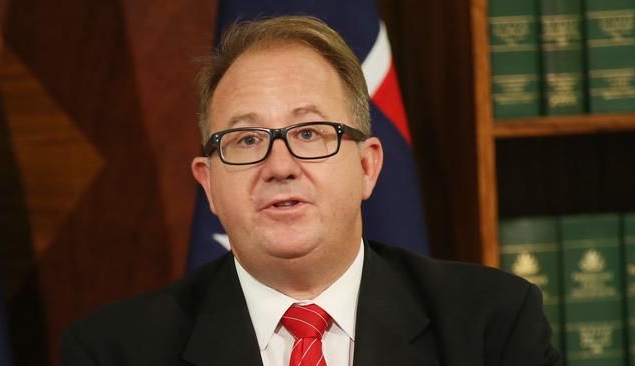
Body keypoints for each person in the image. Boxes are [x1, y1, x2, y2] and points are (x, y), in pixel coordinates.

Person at [60, 16, 561, 366]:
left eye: (308, 134)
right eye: (246, 139)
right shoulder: (114, 351)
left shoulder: (491, 325)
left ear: (367, 166)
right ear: (208, 185)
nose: (280, 166)